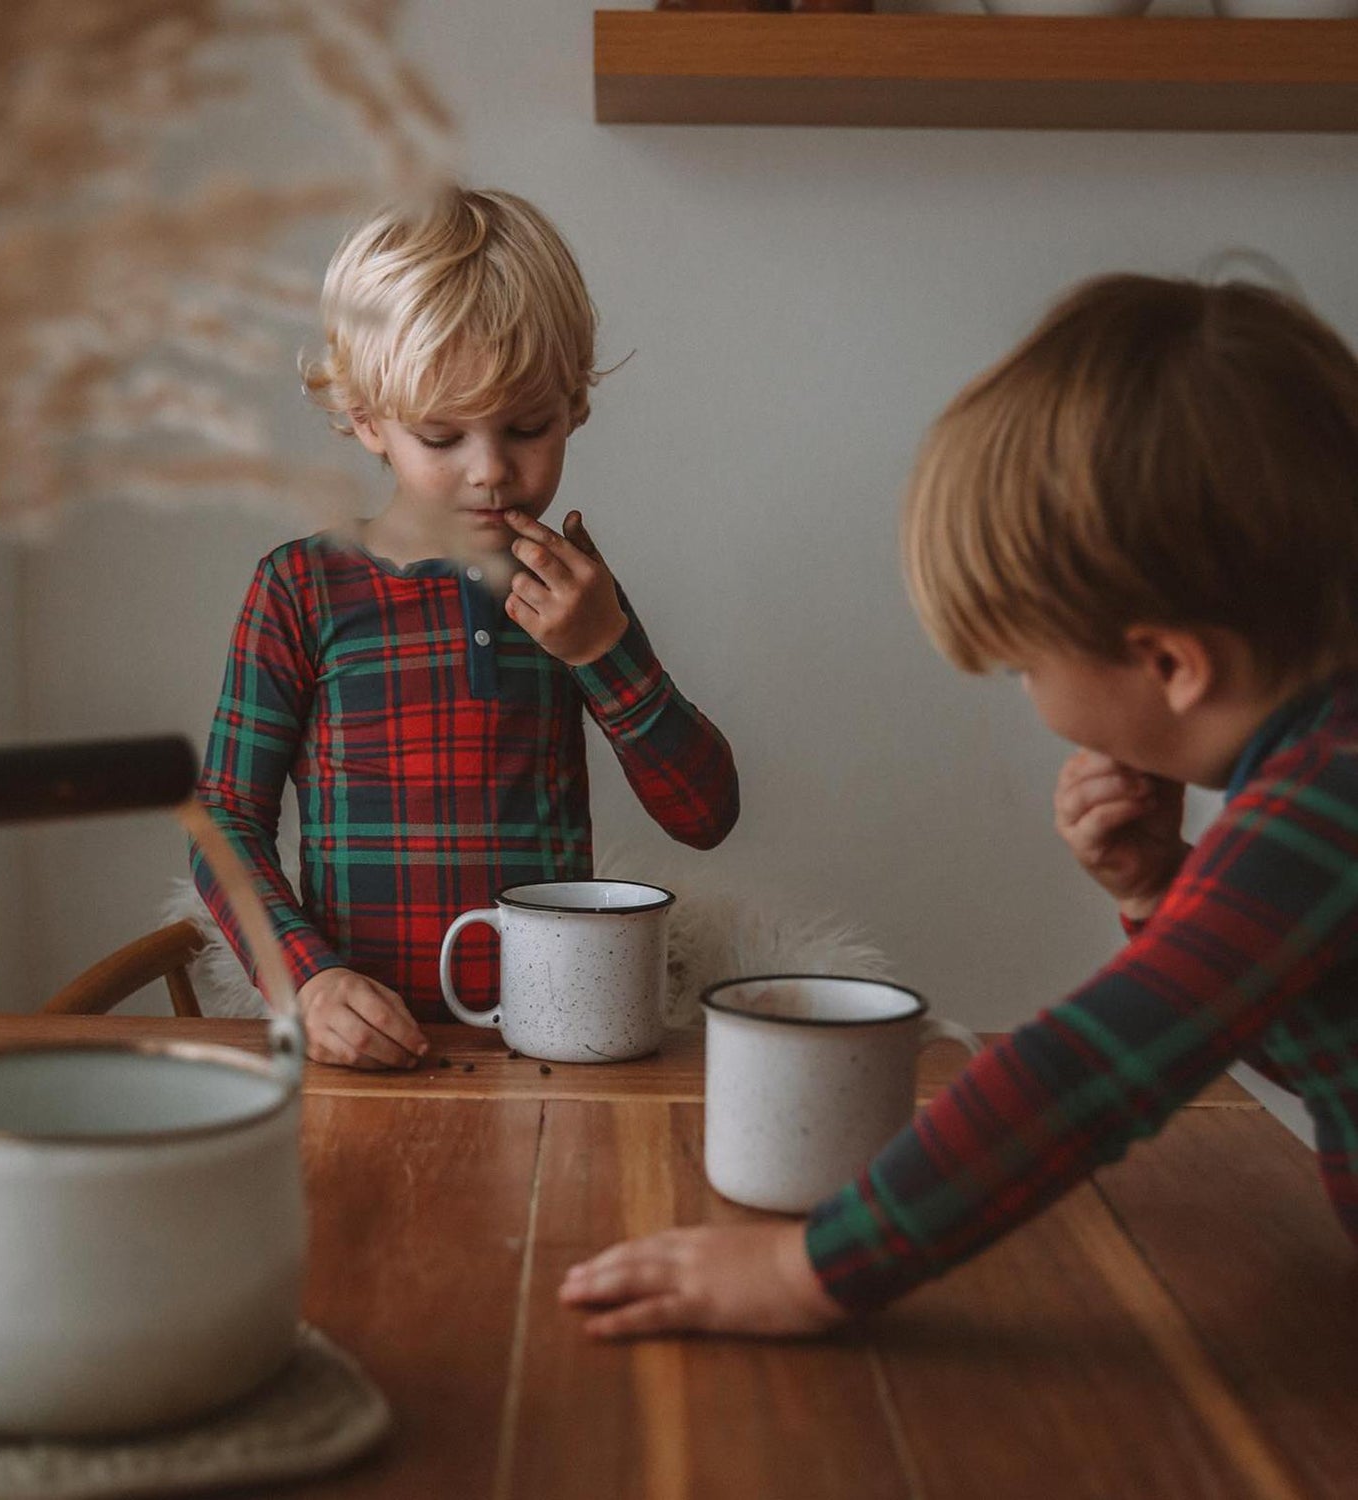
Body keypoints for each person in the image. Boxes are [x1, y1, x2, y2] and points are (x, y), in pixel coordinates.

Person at [559, 272, 1358, 1337]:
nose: (1028, 698)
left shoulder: (1325, 799)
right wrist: (1167, 888)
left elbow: (1095, 1067)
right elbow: (1305, 1027)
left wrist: (810, 1270)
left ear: (1169, 662)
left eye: (1023, 663)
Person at [193, 185, 739, 1068]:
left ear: (575, 405)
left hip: (553, 1047)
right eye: (442, 436)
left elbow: (706, 813)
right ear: (367, 421)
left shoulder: (575, 591)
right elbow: (223, 818)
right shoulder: (300, 588)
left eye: (528, 426)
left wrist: (605, 650)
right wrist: (309, 979)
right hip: (367, 1052)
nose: (491, 472)